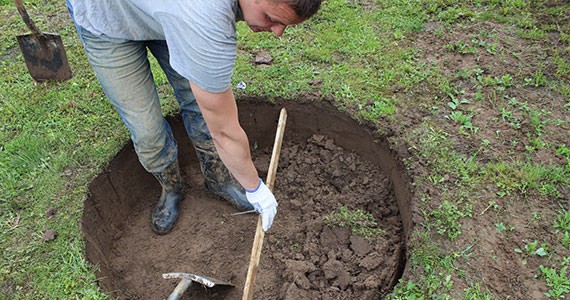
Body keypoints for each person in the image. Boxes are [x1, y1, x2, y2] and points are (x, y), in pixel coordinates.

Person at [65, 0, 321, 234]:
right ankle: (171, 188)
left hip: (170, 12)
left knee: (199, 104)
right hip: (108, 21)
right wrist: (255, 188)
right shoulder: (203, 17)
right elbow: (223, 131)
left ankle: (218, 180)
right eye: (271, 18)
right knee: (147, 131)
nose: (277, 32)